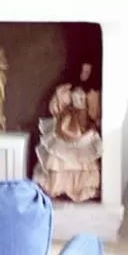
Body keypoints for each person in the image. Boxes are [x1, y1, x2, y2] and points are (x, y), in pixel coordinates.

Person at [34, 64, 102, 201]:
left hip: (82, 125)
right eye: (82, 71)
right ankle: (58, 186)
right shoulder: (67, 89)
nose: (84, 74)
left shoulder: (92, 93)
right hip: (68, 122)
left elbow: (94, 113)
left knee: (82, 156)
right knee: (59, 152)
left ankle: (79, 187)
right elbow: (56, 106)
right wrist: (66, 110)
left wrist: (92, 121)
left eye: (88, 71)